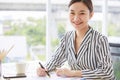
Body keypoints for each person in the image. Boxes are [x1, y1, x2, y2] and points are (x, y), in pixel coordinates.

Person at [37, 0, 115, 79]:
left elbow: (107, 72)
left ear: (91, 15)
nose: (76, 18)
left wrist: (73, 73)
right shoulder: (67, 38)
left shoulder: (100, 40)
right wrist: (45, 68)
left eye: (82, 13)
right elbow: (56, 60)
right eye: (72, 13)